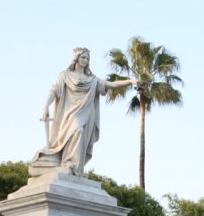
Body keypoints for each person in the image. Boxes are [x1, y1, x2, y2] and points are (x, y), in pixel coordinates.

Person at [32, 47, 135, 175]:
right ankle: (69, 163)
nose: (85, 60)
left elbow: (110, 85)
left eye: (87, 58)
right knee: (77, 130)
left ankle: (74, 166)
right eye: (83, 57)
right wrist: (45, 106)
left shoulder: (92, 79)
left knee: (80, 134)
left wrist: (130, 82)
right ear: (76, 58)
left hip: (87, 113)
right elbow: (54, 91)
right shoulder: (65, 75)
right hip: (70, 113)